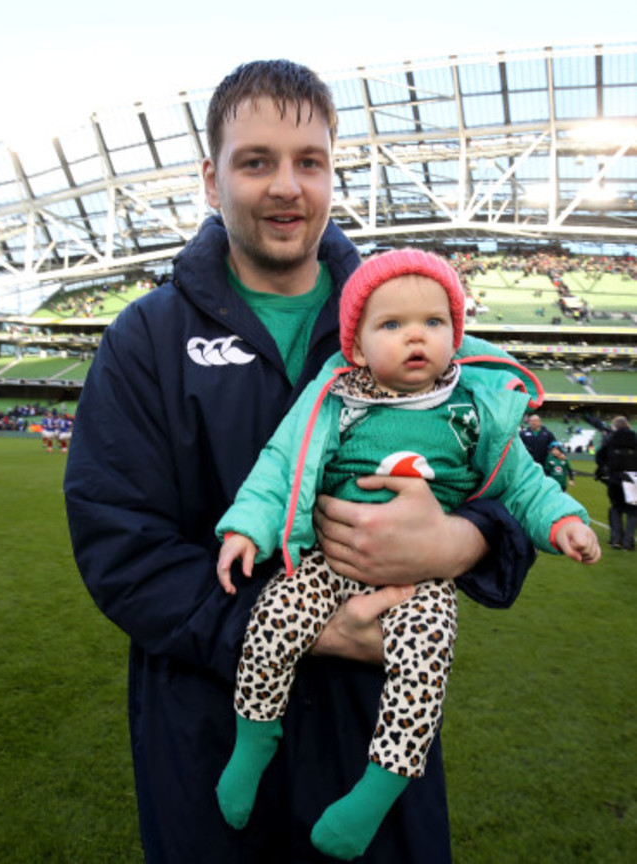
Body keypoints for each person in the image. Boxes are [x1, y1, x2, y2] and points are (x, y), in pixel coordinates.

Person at [64, 60, 539, 864]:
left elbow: (515, 484)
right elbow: (121, 548)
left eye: (308, 162)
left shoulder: (408, 319)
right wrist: (297, 630)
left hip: (370, 727)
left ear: (331, 174)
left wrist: (465, 541)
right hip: (205, 730)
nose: (287, 185)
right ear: (212, 181)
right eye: (256, 162)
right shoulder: (144, 340)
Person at [215, 249, 600, 861]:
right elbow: (281, 463)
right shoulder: (336, 397)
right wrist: (247, 528)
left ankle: (379, 787)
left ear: (458, 334)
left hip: (420, 578)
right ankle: (254, 737)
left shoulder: (475, 409)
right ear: (359, 348)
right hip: (326, 562)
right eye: (391, 325)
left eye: (434, 322)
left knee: (427, 661)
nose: (416, 335)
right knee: (272, 621)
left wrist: (564, 522)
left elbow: (523, 484)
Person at [595, 416, 637, 550]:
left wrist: (604, 468)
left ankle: (616, 539)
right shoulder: (634, 438)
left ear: (615, 426)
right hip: (631, 477)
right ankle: (628, 542)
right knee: (632, 510)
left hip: (615, 477)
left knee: (616, 507)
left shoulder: (610, 439)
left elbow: (600, 456)